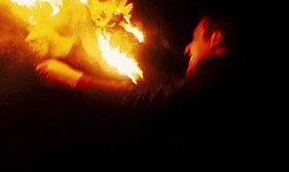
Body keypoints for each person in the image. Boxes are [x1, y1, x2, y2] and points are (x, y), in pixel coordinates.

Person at [35, 11, 244, 162]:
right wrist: (137, 65)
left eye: (194, 38)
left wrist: (73, 77)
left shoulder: (213, 80)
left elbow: (143, 100)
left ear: (215, 38)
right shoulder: (216, 78)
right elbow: (168, 85)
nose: (188, 48)